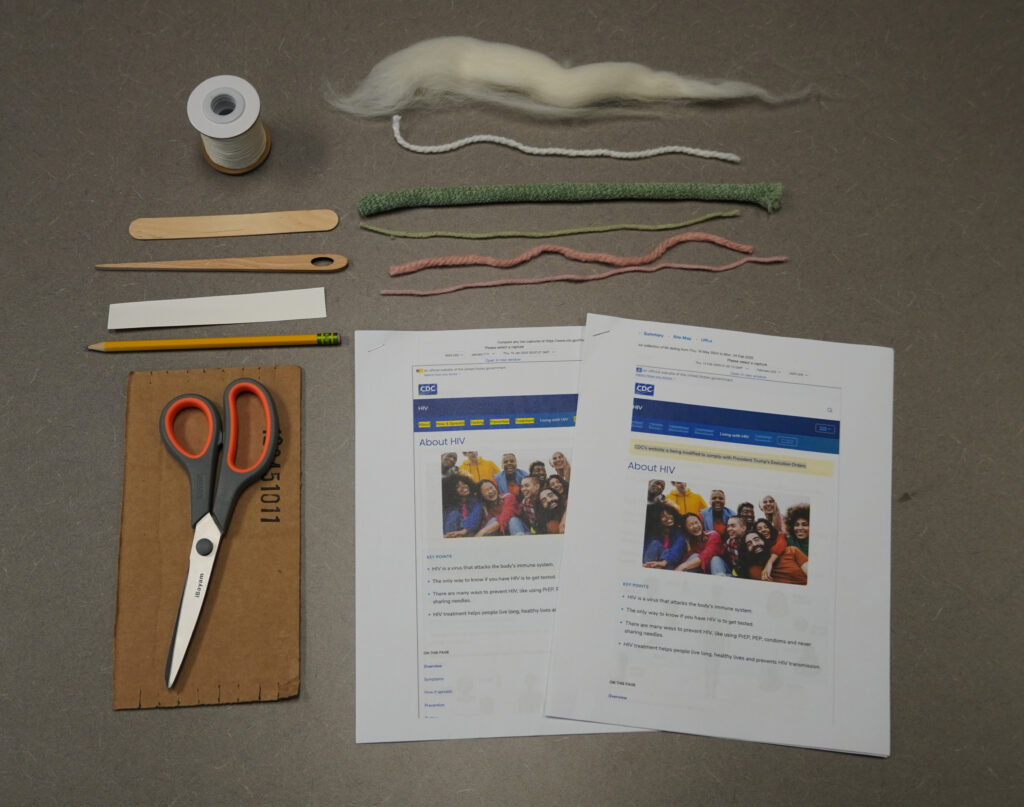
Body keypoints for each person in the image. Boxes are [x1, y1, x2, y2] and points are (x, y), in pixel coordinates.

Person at [741, 530, 808, 585]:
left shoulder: (791, 551)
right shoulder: (753, 571)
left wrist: (770, 562)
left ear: (764, 540)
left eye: (757, 539)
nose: (755, 544)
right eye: (749, 544)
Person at [642, 503, 688, 568]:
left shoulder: (679, 532)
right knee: (655, 544)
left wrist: (664, 562)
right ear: (657, 520)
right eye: (662, 516)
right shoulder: (652, 534)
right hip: (651, 563)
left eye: (669, 513)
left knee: (666, 550)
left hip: (669, 563)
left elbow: (677, 547)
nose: (668, 517)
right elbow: (645, 550)